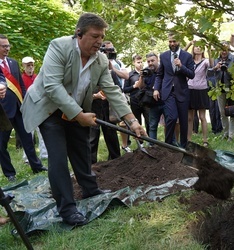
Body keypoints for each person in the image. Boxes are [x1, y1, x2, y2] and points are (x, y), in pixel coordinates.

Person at [20, 13, 147, 226]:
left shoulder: (101, 59)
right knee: (59, 158)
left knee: (82, 151)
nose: (100, 42)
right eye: (95, 36)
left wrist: (132, 121)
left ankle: (90, 189)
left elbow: (113, 91)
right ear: (79, 34)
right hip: (49, 109)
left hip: (76, 109)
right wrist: (79, 116)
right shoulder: (59, 47)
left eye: (102, 37)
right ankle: (67, 209)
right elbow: (52, 86)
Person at [0, 35, 47, 182]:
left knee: (28, 139)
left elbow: (20, 86)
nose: (7, 48)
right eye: (4, 46)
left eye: (8, 46)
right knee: (1, 145)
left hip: (19, 109)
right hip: (2, 112)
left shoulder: (13, 63)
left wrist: (26, 102)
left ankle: (36, 166)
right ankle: (10, 173)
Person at [153, 33, 195, 148]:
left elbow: (192, 75)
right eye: (170, 41)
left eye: (174, 41)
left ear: (179, 41)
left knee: (183, 121)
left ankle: (183, 146)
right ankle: (168, 145)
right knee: (171, 118)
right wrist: (156, 89)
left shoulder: (187, 56)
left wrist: (181, 66)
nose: (172, 44)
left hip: (182, 92)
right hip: (168, 92)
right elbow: (159, 74)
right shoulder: (164, 56)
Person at [211, 41, 234, 141]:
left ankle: (231, 135)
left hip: (231, 89)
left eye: (225, 49)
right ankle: (225, 132)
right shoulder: (215, 59)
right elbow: (209, 74)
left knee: (232, 111)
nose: (223, 51)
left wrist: (228, 70)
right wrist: (215, 68)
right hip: (219, 88)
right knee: (222, 112)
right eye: (222, 49)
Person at [21, 56, 48, 160]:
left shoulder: (37, 77)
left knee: (42, 132)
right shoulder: (21, 78)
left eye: (32, 65)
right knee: (28, 133)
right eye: (28, 65)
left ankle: (44, 154)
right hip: (28, 109)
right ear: (23, 66)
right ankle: (27, 157)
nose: (30, 67)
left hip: (39, 107)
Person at [185, 42, 211, 147]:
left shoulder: (205, 61)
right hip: (190, 89)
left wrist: (209, 49)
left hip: (201, 90)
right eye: (196, 46)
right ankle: (188, 140)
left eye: (201, 47)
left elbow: (212, 65)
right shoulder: (189, 61)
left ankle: (205, 140)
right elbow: (179, 55)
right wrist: (189, 44)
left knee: (202, 117)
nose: (198, 48)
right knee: (190, 118)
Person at [137, 52, 166, 142]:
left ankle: (171, 145)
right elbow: (140, 87)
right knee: (152, 126)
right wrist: (141, 77)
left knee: (169, 124)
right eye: (148, 61)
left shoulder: (164, 70)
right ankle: (152, 145)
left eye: (152, 61)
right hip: (153, 103)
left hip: (165, 101)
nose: (150, 63)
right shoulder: (147, 72)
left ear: (157, 60)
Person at [123, 54, 150, 133]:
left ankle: (150, 141)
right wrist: (134, 86)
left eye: (141, 62)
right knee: (137, 122)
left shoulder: (147, 72)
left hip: (146, 100)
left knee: (149, 121)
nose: (140, 64)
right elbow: (125, 89)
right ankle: (140, 143)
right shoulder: (130, 75)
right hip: (135, 101)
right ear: (134, 63)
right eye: (138, 62)